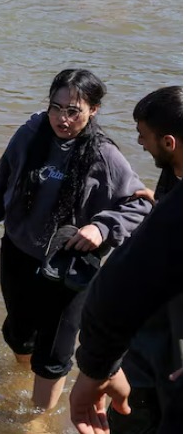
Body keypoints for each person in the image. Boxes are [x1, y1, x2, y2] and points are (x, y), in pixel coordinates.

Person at [0, 69, 151, 411]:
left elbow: (141, 203)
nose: (62, 119)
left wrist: (102, 226)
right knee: (18, 335)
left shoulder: (104, 155)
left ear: (93, 110)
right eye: (56, 107)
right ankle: (29, 377)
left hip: (69, 266)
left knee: (53, 354)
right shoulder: (30, 133)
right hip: (19, 252)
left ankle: (38, 420)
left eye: (73, 111)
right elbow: (0, 180)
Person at [97, 85, 182, 434]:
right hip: (144, 343)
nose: (140, 143)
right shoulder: (172, 178)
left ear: (169, 142)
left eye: (143, 136)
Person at [69, 180, 182, 434]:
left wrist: (97, 367)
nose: (140, 142)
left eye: (144, 137)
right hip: (147, 358)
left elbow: (118, 287)